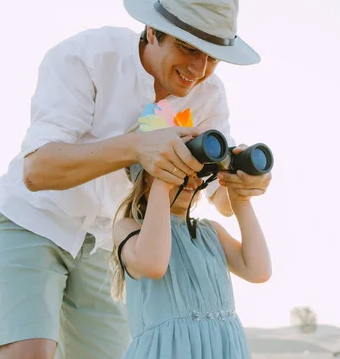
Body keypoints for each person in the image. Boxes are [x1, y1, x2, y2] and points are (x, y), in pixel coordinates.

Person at [0, 0, 272, 359]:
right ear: (153, 31)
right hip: (36, 219)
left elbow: (216, 199)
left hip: (112, 241)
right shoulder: (87, 56)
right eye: (189, 48)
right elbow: (37, 171)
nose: (199, 69)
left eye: (212, 57)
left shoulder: (208, 98)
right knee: (29, 354)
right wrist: (138, 147)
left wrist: (241, 188)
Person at [111, 111, 272, 359]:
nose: (190, 178)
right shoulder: (129, 228)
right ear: (144, 178)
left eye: (196, 172)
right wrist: (164, 182)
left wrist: (240, 200)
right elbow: (154, 265)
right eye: (178, 168)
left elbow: (258, 271)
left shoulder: (210, 233)